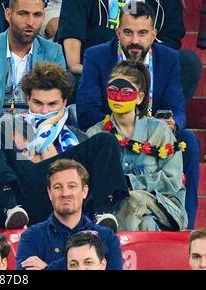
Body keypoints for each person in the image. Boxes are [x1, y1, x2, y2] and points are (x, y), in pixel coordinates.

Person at [77, 1, 199, 229]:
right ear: (117, 32)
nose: (135, 41)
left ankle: (187, 227)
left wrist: (172, 123)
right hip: (110, 134)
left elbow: (178, 109)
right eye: (128, 33)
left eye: (142, 33)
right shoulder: (96, 55)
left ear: (154, 34)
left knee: (188, 142)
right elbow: (87, 112)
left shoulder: (169, 58)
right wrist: (121, 123)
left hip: (156, 134)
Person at [0, 62, 129, 230]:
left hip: (66, 196)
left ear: (64, 103)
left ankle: (102, 212)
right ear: (28, 100)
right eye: (38, 103)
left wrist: (47, 131)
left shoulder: (78, 138)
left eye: (52, 104)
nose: (44, 111)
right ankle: (10, 207)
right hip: (22, 198)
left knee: (106, 140)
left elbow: (59, 170)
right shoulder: (6, 127)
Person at [87, 60, 188, 231]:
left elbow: (173, 180)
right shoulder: (96, 134)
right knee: (146, 223)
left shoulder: (160, 131)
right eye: (112, 91)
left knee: (134, 198)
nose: (118, 97)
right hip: (114, 211)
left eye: (126, 92)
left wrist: (130, 183)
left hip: (163, 207)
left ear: (140, 97)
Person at [56, 0, 201, 105]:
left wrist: (141, 72)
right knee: (69, 80)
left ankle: (158, 123)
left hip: (148, 74)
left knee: (188, 62)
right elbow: (73, 55)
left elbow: (171, 40)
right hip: (97, 75)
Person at [15, 159, 123, 270]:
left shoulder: (107, 237)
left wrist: (49, 268)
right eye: (57, 187)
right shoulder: (32, 236)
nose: (65, 193)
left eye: (72, 186)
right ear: (49, 193)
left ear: (84, 191)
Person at [0, 0, 66, 117]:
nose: (30, 22)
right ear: (8, 14)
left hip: (39, 129)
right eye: (23, 14)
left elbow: (57, 107)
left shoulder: (53, 52)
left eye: (37, 15)